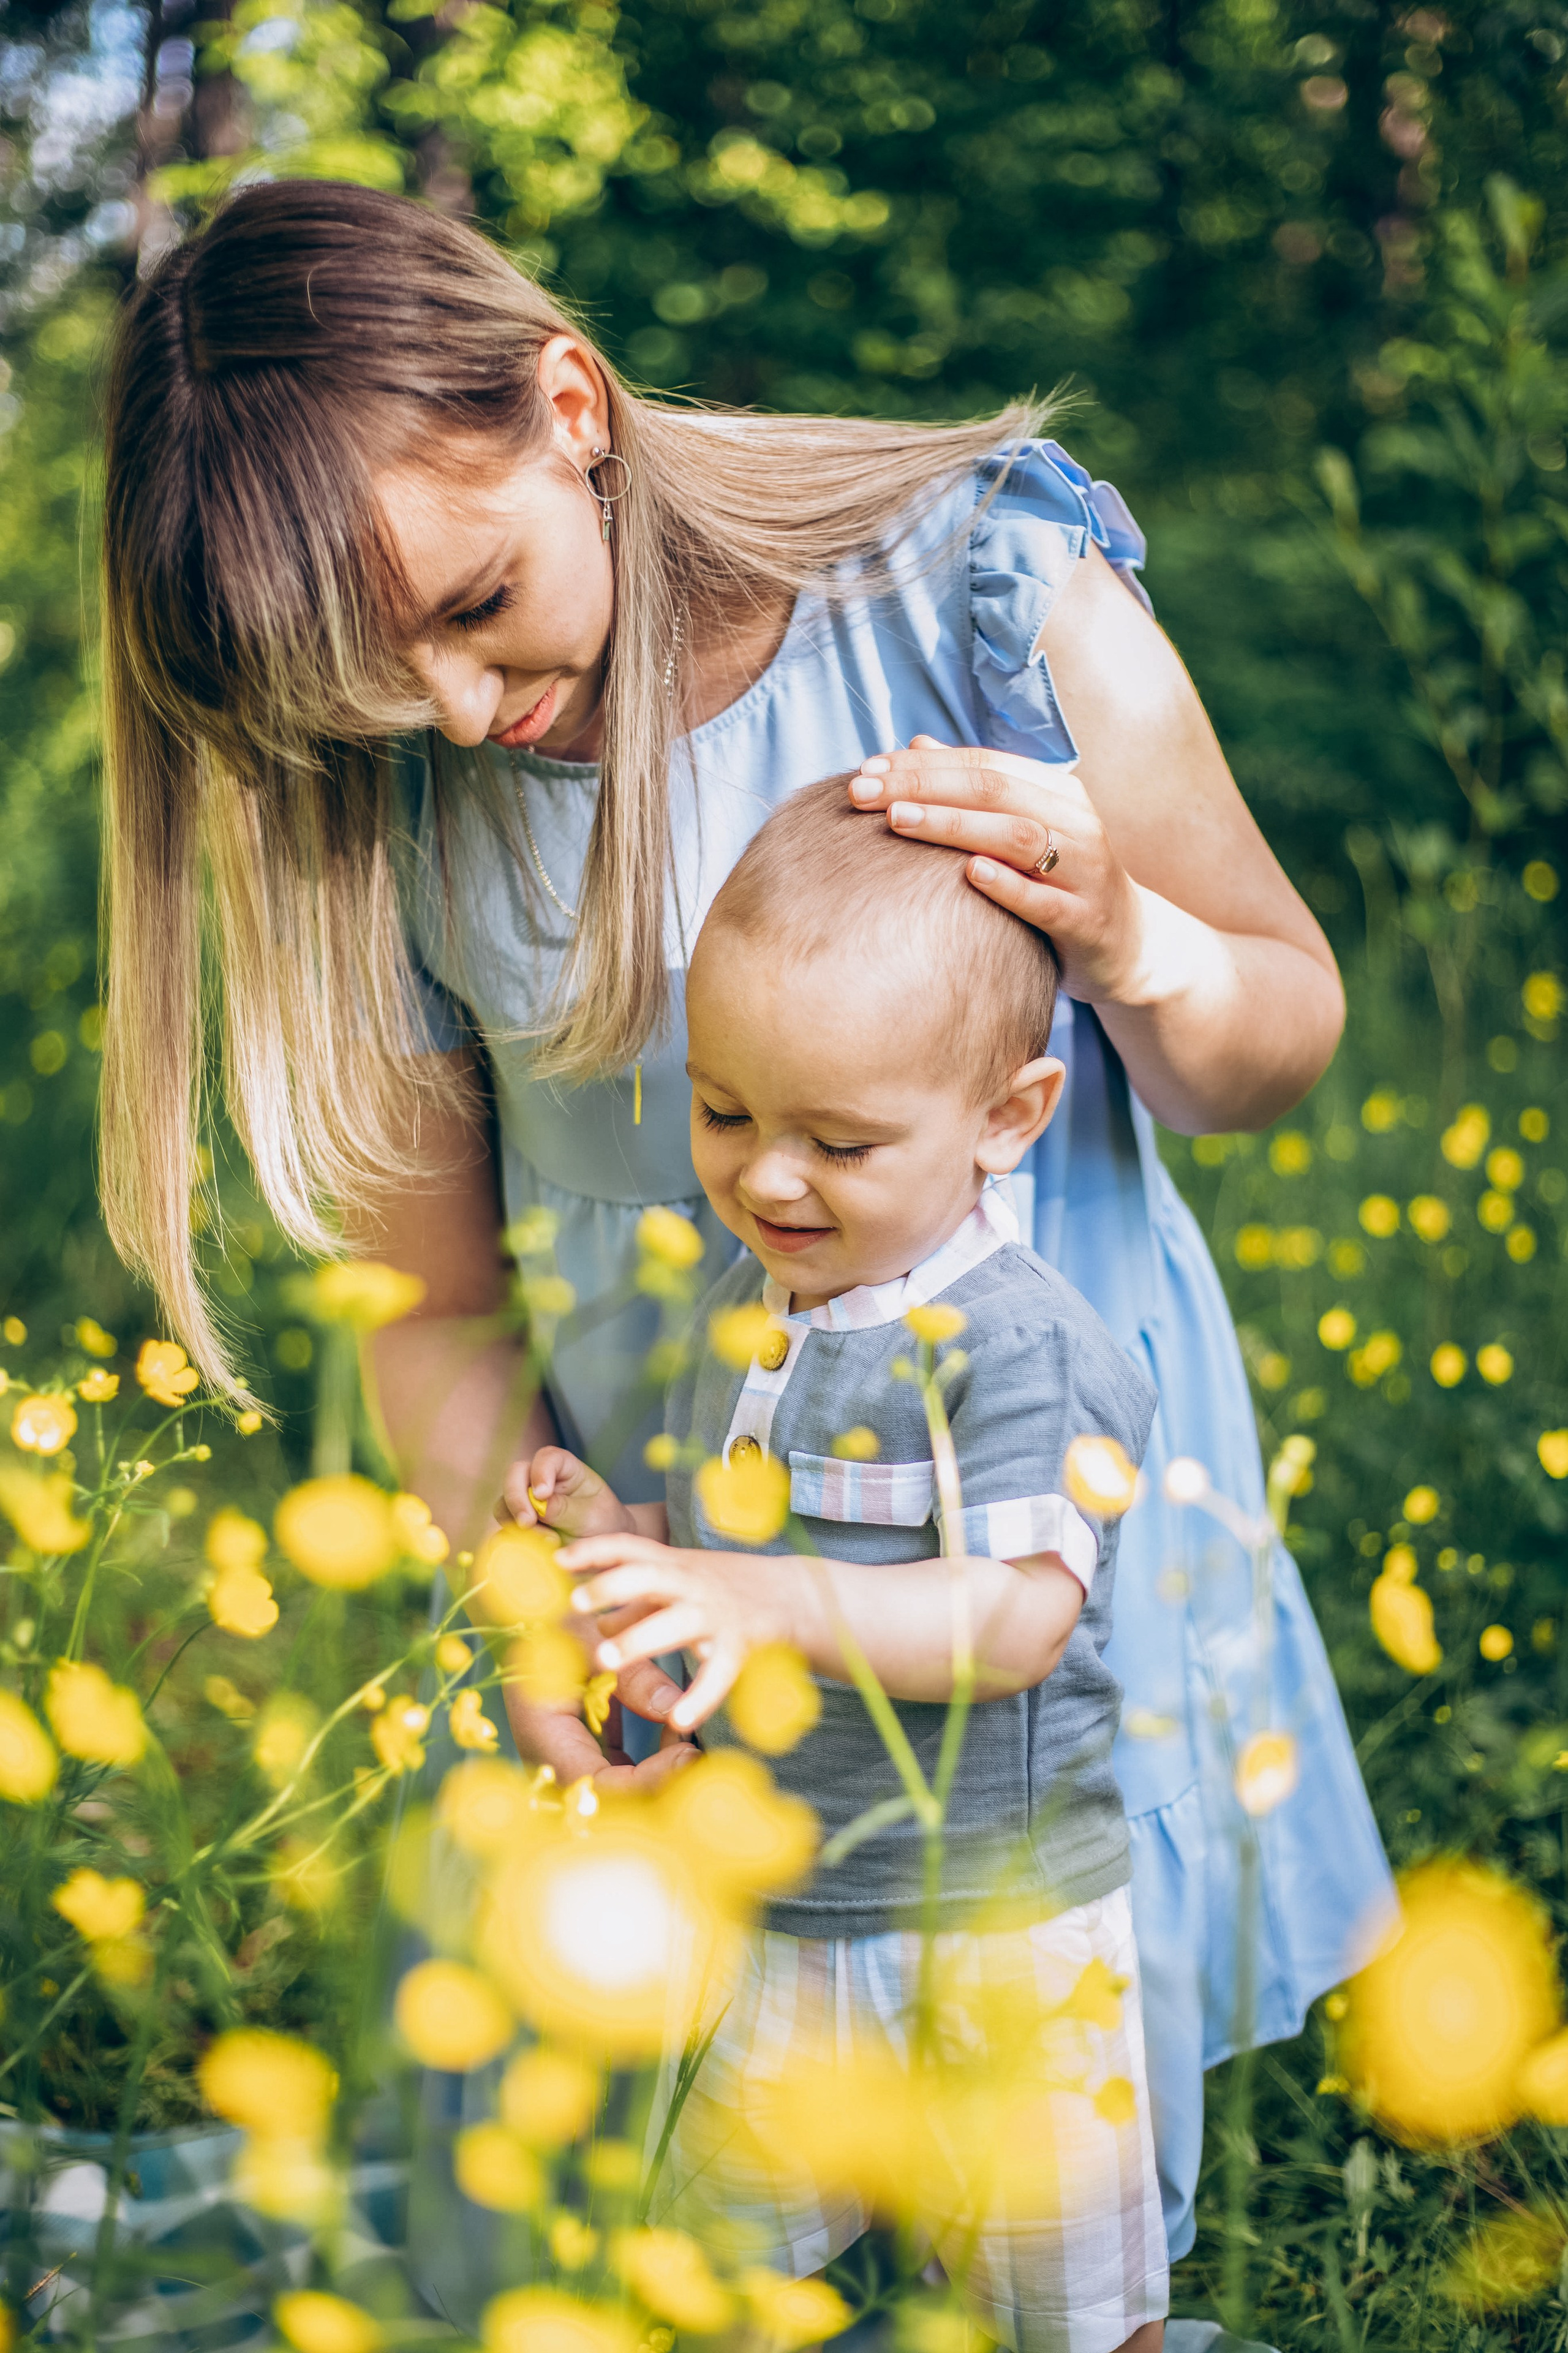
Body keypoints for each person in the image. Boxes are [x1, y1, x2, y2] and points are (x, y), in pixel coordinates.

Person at [97, 178, 1390, 2270]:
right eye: (366, 687)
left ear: (570, 408)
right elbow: (430, 1307)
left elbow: (1281, 1037)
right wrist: (534, 1581)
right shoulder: (392, 799)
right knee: (679, 2225)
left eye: (478, 602)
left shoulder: (981, 599)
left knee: (1026, 2195)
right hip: (668, 1612)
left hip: (1015, 1561)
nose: (446, 710)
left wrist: (1132, 935)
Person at [500, 776, 1167, 2353]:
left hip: (993, 1921)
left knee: (1057, 2287)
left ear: (1007, 1119)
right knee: (724, 2275)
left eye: (840, 1140)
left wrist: (762, 1599)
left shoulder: (1016, 1350)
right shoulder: (755, 1305)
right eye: (724, 1113)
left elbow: (1015, 1620)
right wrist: (625, 1546)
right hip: (781, 1903)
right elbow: (748, 1552)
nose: (768, 1178)